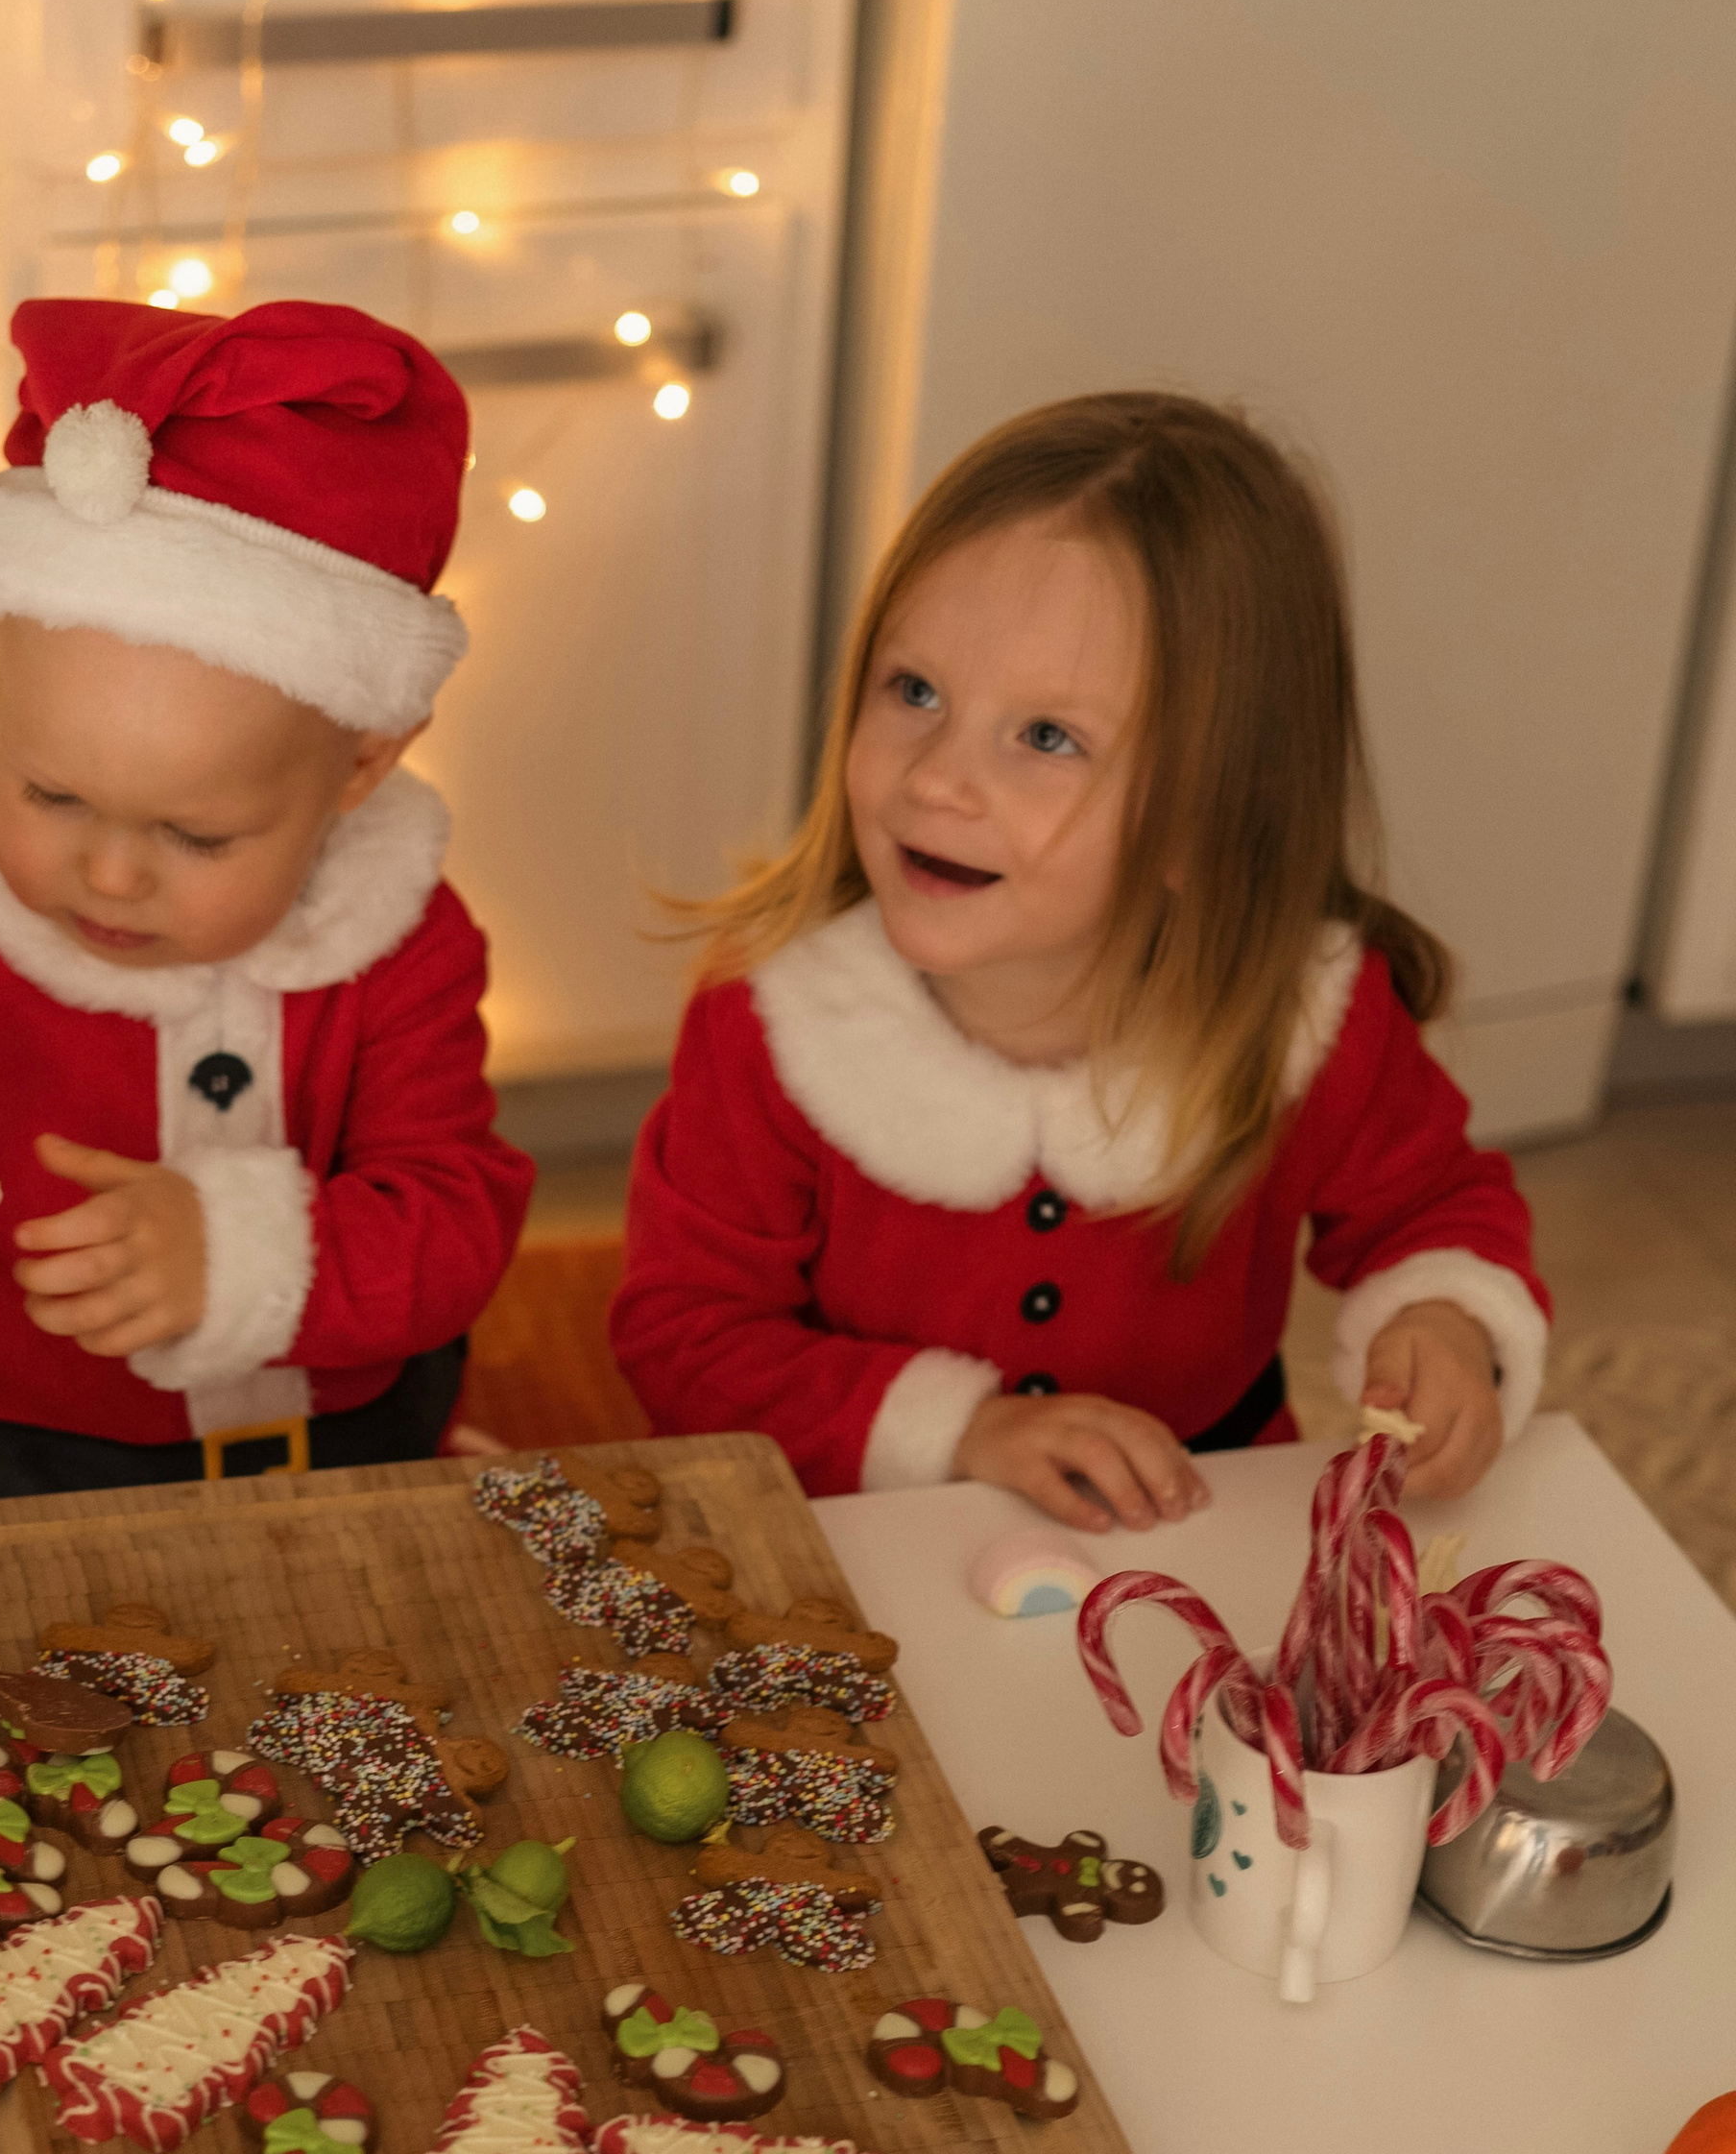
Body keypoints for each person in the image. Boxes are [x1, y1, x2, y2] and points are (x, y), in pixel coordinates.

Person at [613, 392, 1547, 1531]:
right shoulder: (772, 1023)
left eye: (1047, 738)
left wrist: (1445, 1319)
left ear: (1208, 819)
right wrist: (962, 1431)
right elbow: (685, 1338)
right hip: (854, 1534)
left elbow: (1431, 1206)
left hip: (1202, 1528)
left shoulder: (1311, 1017)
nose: (935, 781)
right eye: (915, 692)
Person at [0, 295, 532, 1504]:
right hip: (6, 1490)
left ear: (364, 765)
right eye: (51, 794)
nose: (111, 874)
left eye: (196, 832)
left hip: (359, 1477)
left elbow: (454, 1223)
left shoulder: (403, 945)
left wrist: (239, 1255)